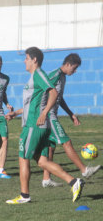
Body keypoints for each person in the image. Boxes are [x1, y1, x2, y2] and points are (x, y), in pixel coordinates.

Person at [5, 47, 84, 204]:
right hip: (39, 125)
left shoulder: (39, 75)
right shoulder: (35, 77)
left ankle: (24, 195)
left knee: (23, 158)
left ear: (34, 60)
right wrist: (16, 113)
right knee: (42, 161)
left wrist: (44, 113)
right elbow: (34, 102)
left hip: (34, 126)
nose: (24, 61)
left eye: (26, 58)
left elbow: (53, 93)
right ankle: (74, 182)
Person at [42, 53, 101, 187]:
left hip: (51, 114)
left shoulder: (62, 77)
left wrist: (70, 114)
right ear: (67, 64)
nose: (74, 72)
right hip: (48, 115)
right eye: (74, 68)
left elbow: (59, 98)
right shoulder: (54, 75)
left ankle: (46, 179)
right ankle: (84, 170)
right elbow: (41, 90)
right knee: (66, 142)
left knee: (50, 147)